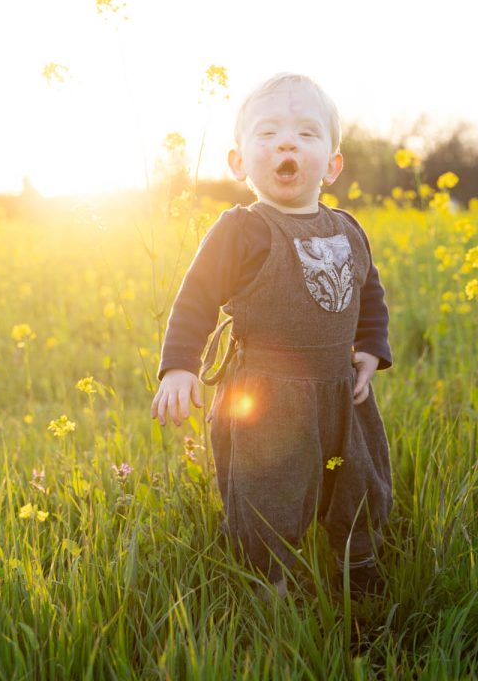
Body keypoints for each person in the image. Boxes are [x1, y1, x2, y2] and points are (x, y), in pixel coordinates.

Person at [151, 72, 393, 598]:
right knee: (269, 487)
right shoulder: (242, 229)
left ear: (331, 164)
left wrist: (371, 348)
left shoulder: (348, 228)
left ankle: (359, 557)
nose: (287, 142)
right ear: (239, 162)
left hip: (339, 388)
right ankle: (268, 578)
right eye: (268, 134)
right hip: (266, 395)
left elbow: (368, 290)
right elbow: (196, 297)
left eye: (307, 133)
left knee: (357, 477)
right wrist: (180, 365)